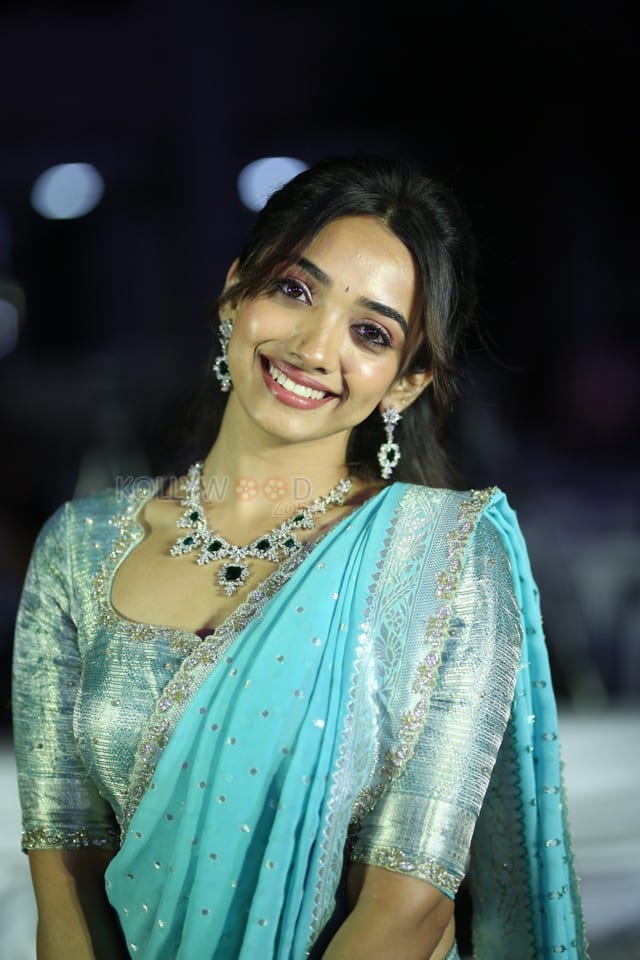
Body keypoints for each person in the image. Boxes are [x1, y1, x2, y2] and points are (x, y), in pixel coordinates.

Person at [12, 154, 589, 960]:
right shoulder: (79, 549)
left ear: (406, 382)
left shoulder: (442, 558)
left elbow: (409, 907)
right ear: (234, 295)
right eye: (293, 290)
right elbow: (65, 878)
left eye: (370, 332)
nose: (316, 348)